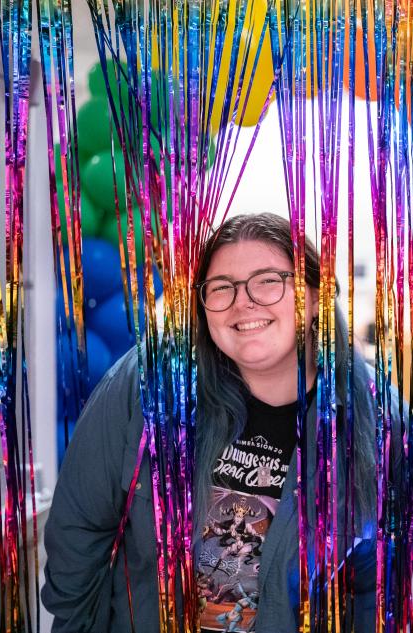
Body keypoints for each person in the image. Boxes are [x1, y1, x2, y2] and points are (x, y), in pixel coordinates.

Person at [42, 212, 379, 632]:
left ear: (314, 297)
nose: (243, 302)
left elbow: (373, 589)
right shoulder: (148, 386)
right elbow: (78, 532)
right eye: (221, 288)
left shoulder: (373, 419)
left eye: (269, 280)